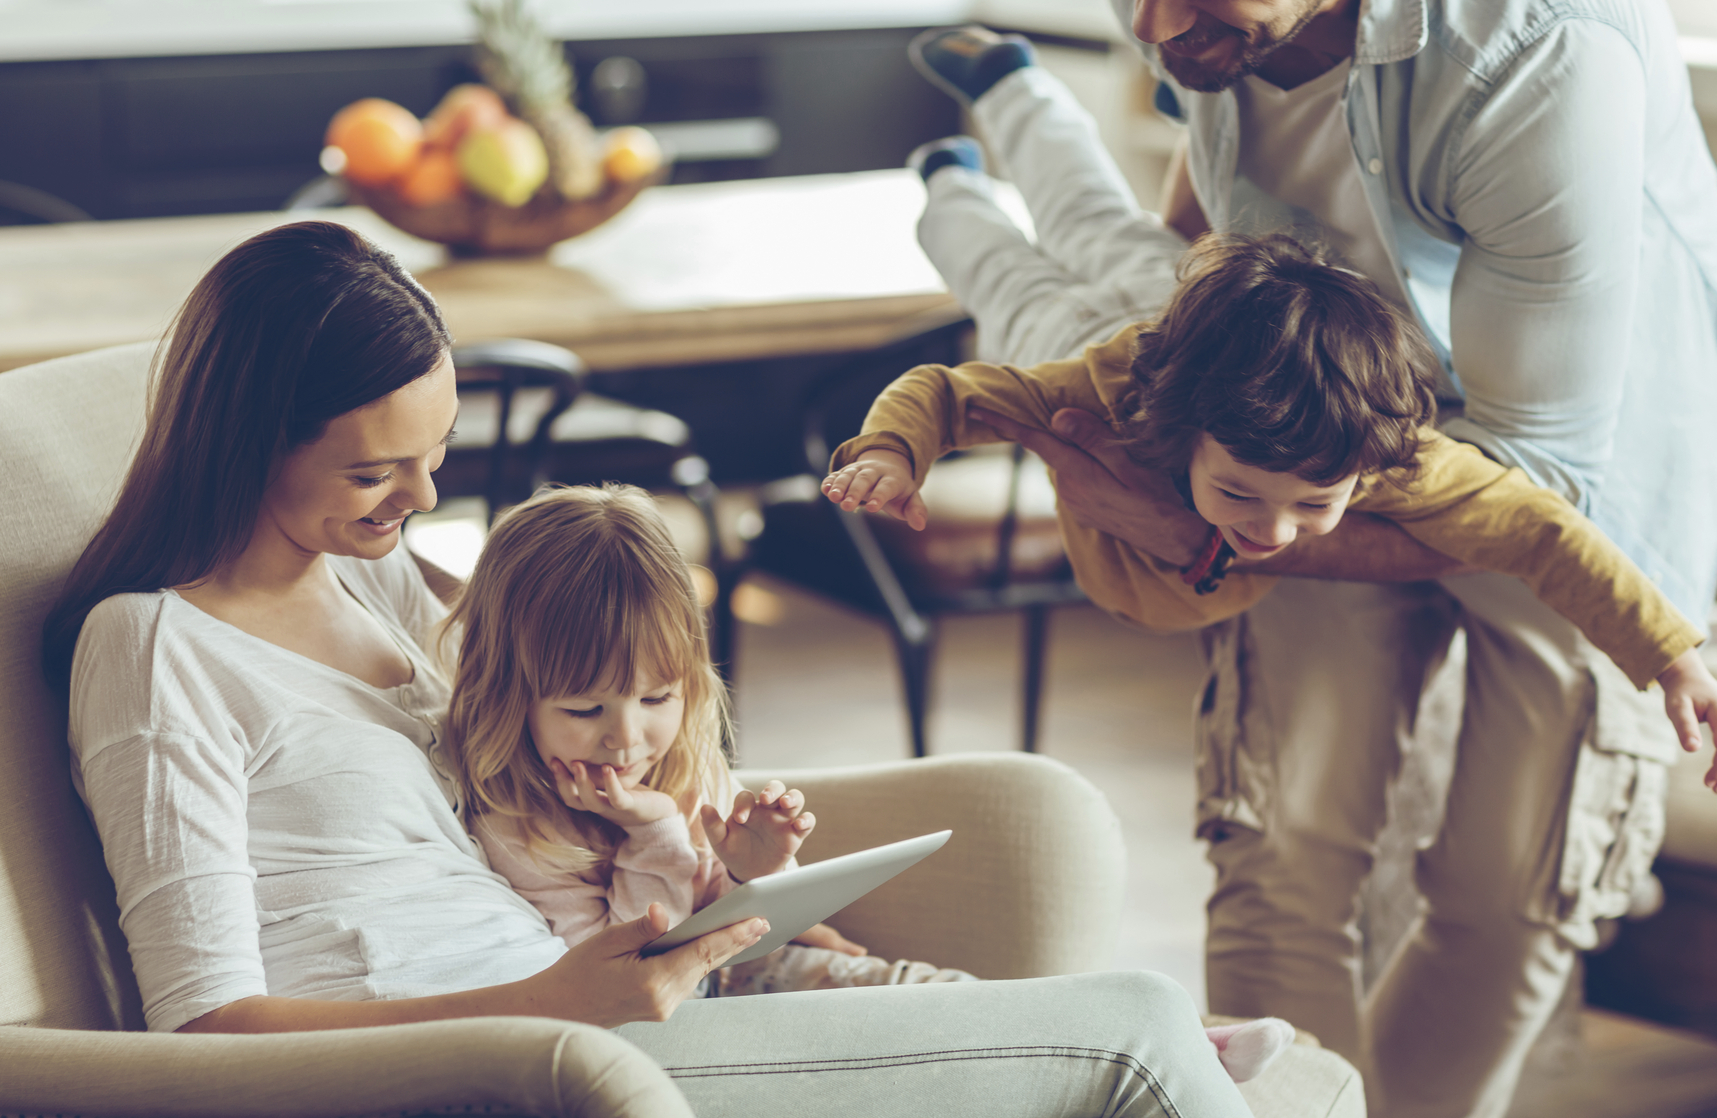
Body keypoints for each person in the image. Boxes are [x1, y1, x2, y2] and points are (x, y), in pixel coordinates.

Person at [41, 218, 1261, 1117]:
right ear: (251, 437)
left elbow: (604, 684)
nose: (418, 499)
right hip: (492, 1068)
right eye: (374, 474)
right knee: (1141, 1030)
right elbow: (204, 1023)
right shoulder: (154, 648)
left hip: (606, 1017)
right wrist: (549, 1007)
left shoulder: (377, 576)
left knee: (1125, 1021)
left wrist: (717, 865)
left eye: (435, 456)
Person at [900, 10, 1717, 1116]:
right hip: (1289, 421)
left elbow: (1539, 484)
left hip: (1564, 470)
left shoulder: (1541, 51)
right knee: (1278, 849)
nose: (1149, 23)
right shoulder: (1194, 26)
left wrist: (1204, 535)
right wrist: (1170, 362)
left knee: (1514, 884)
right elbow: (1216, 189)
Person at [822, 231, 1717, 753]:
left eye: (1311, 504)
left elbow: (1543, 531)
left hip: (1173, 349)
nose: (1275, 532)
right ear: (1185, 434)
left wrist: (1670, 655)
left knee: (1116, 241)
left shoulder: (1393, 454)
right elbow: (944, 389)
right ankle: (956, 177)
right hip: (1092, 362)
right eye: (1240, 494)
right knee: (1025, 268)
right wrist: (896, 455)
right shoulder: (1104, 393)